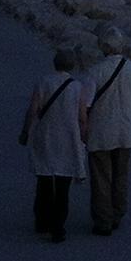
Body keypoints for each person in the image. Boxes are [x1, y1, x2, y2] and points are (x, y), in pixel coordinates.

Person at [80, 46, 131, 236]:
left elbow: (85, 104)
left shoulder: (95, 71)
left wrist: (83, 128)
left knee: (102, 177)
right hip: (127, 130)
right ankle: (117, 213)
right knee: (121, 175)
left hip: (101, 130)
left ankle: (103, 220)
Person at [20, 51, 89, 242]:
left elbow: (33, 110)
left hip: (45, 136)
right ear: (72, 66)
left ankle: (41, 221)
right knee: (62, 185)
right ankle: (58, 226)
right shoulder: (77, 87)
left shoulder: (44, 82)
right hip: (68, 138)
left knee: (43, 181)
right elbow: (82, 117)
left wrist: (25, 131)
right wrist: (84, 137)